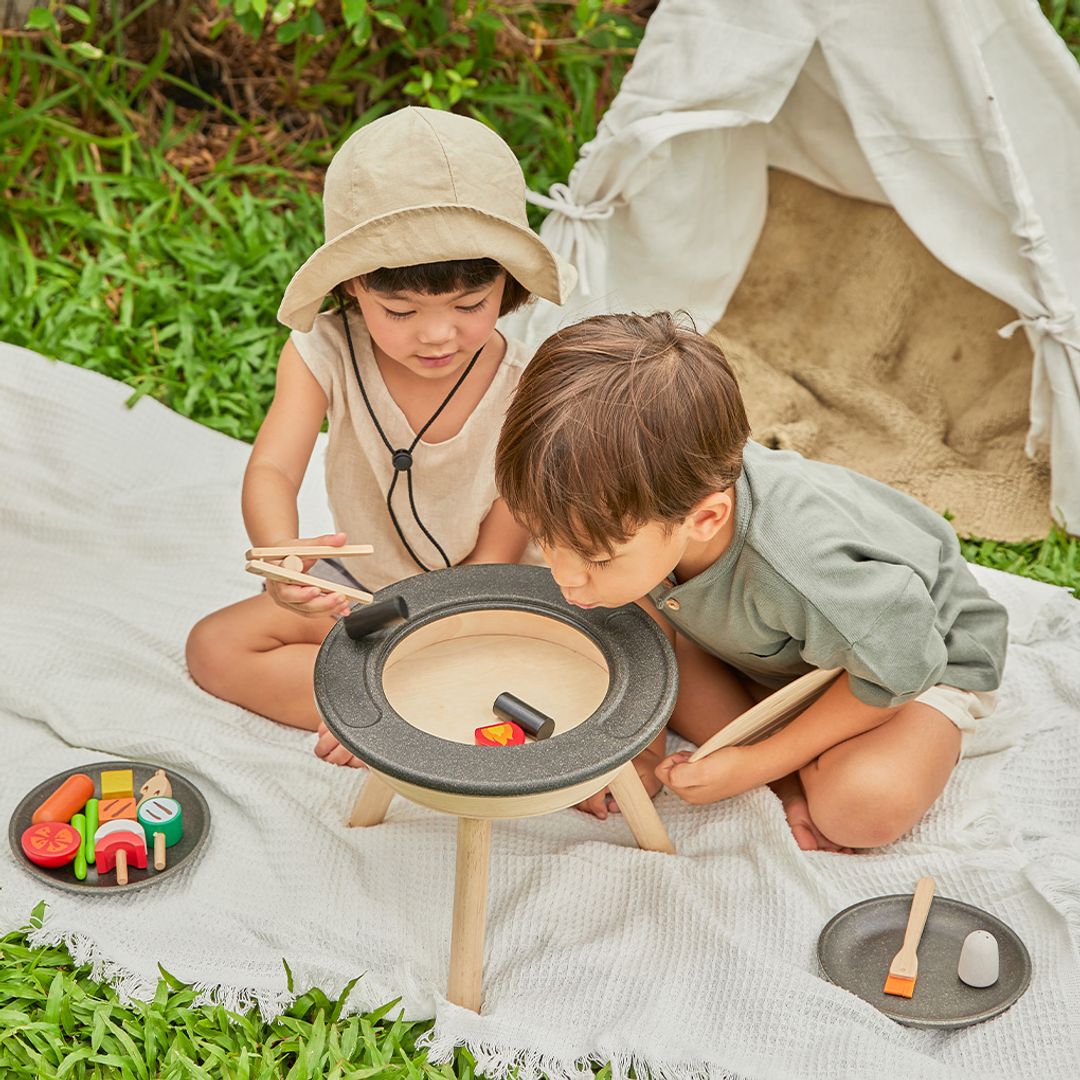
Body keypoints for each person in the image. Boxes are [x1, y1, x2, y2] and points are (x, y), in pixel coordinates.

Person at [494, 312, 1007, 850]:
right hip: (775, 648)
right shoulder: (639, 506)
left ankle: (792, 764)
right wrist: (643, 751)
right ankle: (793, 775)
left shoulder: (802, 565)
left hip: (915, 660)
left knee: (861, 809)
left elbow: (904, 664)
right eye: (544, 539)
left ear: (706, 519)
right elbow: (642, 616)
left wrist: (756, 762)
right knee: (644, 654)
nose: (564, 577)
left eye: (596, 559)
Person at [186, 107, 575, 766]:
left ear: (506, 285)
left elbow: (504, 538)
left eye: (469, 305)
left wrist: (438, 632)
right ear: (351, 289)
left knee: (568, 657)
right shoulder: (323, 350)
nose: (437, 335)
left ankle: (385, 710)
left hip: (483, 595)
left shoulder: (524, 379)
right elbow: (274, 470)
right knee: (214, 647)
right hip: (367, 592)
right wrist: (281, 555)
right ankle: (410, 710)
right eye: (400, 311)